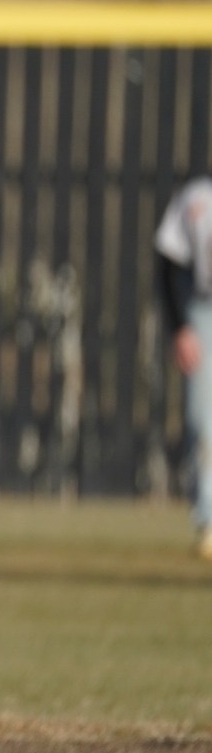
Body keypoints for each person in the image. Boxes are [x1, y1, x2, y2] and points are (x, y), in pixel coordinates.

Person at [155, 175, 212, 558]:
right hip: (203, 313)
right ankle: (210, 520)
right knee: (204, 421)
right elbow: (170, 261)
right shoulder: (197, 197)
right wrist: (181, 327)